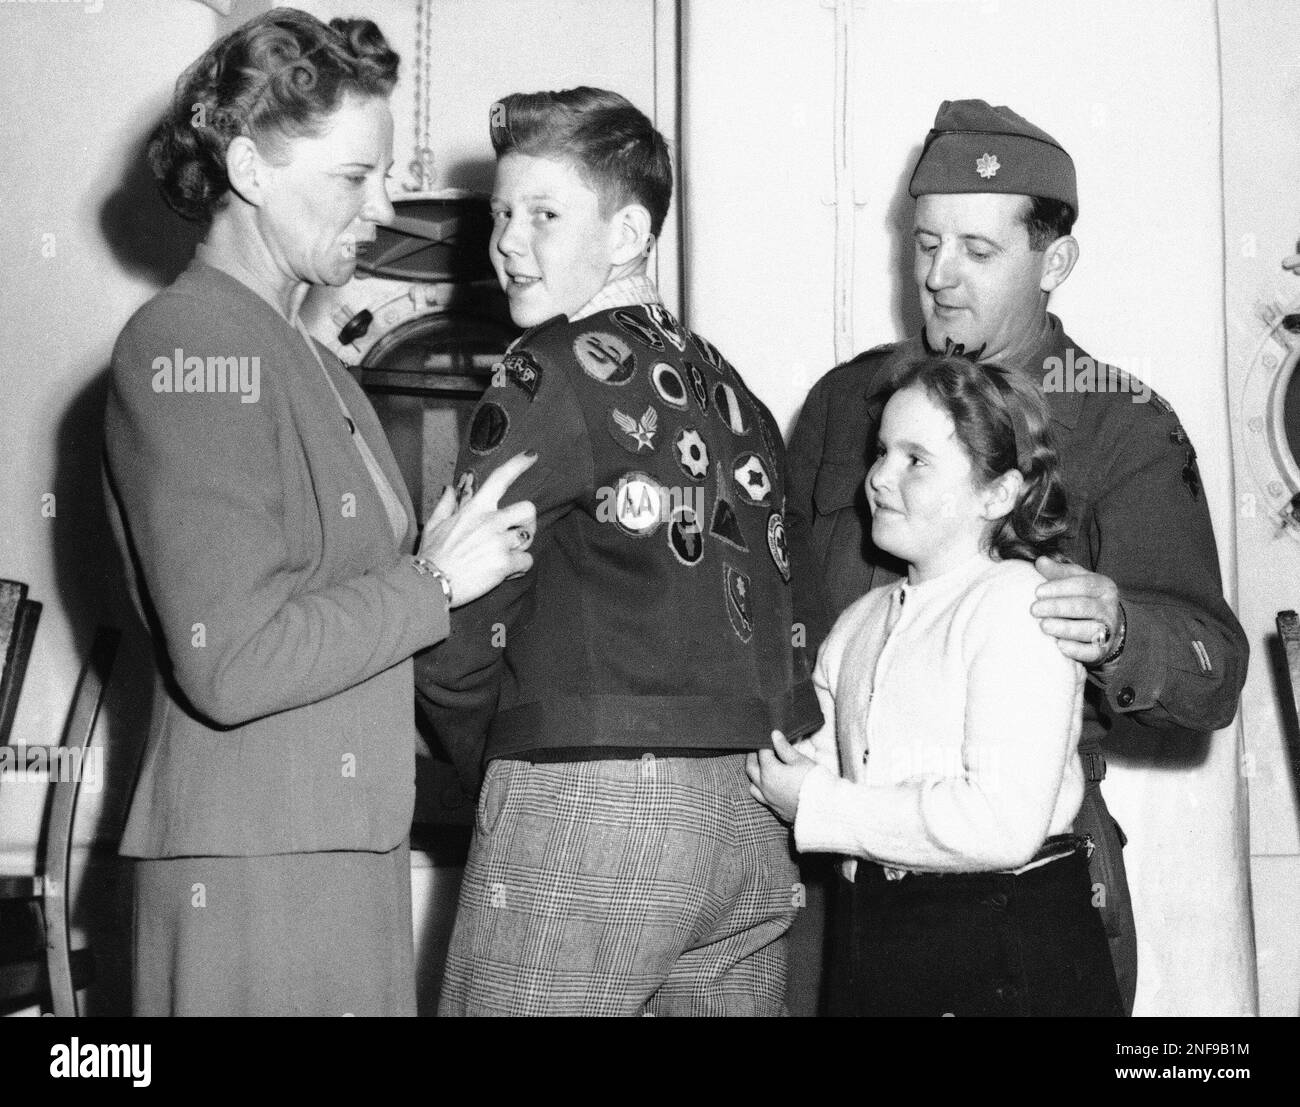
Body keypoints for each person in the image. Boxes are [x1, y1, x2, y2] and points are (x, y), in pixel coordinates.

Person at [102, 8, 535, 1016]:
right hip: (255, 872)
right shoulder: (187, 342)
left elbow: (353, 609)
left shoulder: (303, 354)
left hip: (338, 843)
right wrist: (432, 581)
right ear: (249, 169)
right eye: (354, 176)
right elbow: (235, 658)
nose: (381, 208)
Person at [785, 99, 1249, 1013]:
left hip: (1018, 895)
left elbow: (1216, 670)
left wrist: (1121, 629)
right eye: (925, 245)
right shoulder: (849, 404)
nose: (940, 278)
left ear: (1054, 261)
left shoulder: (1121, 425)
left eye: (979, 251)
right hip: (840, 891)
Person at [415, 87, 821, 1016]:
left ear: (631, 232)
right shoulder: (737, 394)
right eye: (501, 214)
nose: (508, 242)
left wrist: (496, 761)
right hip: (754, 822)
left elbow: (455, 620)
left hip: (591, 808)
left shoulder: (543, 367)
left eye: (545, 215)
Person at [750, 354, 1124, 1017]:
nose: (879, 477)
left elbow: (1002, 823)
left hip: (1009, 946)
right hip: (880, 940)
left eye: (915, 459)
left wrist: (817, 803)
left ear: (997, 492)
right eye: (881, 451)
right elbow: (817, 771)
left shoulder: (1017, 605)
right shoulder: (858, 624)